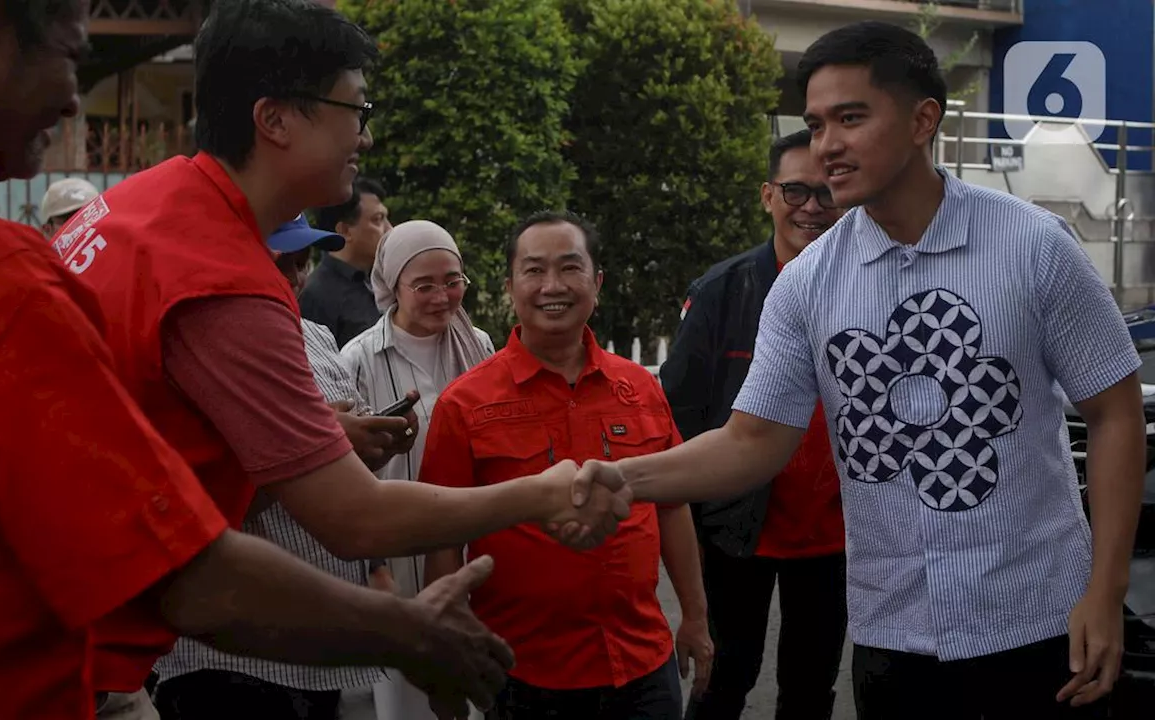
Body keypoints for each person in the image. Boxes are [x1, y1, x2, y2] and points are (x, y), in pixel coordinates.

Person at [0, 1, 528, 718]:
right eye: (69, 56)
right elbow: (189, 570)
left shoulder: (109, 218)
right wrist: (412, 627)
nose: (72, 97)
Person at [49, 2, 631, 716]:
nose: (366, 133)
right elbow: (354, 518)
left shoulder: (144, 203)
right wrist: (542, 494)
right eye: (354, 108)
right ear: (276, 119)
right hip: (59, 660)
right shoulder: (218, 275)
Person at [570, 20, 1145, 720]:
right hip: (891, 640)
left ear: (921, 120)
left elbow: (1114, 411)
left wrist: (1105, 591)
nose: (827, 147)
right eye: (815, 124)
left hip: (1040, 626)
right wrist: (623, 478)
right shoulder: (808, 282)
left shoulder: (1033, 247)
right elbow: (752, 440)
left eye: (851, 117)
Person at [419, 211, 713, 720]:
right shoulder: (464, 404)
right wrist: (445, 653)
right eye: (534, 270)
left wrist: (695, 616)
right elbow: (442, 536)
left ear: (596, 282)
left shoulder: (640, 389)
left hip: (641, 662)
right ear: (509, 285)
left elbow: (671, 507)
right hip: (522, 673)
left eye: (570, 268)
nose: (552, 286)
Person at [151, 216, 402, 720]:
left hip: (321, 645)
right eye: (280, 259)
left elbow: (340, 485)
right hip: (234, 657)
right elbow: (202, 498)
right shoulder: (202, 342)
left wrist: (367, 448)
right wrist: (320, 446)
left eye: (303, 259)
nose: (295, 274)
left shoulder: (316, 337)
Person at [663, 129, 847, 720]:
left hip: (836, 534)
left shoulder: (872, 286)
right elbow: (681, 416)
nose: (812, 207)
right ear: (768, 195)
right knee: (723, 678)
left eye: (827, 193)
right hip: (736, 526)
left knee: (811, 687)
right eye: (797, 191)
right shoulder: (721, 292)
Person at [340, 219, 497, 720]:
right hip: (400, 562)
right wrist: (374, 570)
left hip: (477, 551)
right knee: (409, 703)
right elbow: (347, 478)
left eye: (452, 281)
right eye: (423, 285)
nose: (441, 296)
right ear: (393, 287)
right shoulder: (359, 359)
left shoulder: (481, 348)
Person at [307, 176, 393, 346]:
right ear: (345, 230)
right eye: (377, 219)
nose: (390, 229)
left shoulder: (385, 280)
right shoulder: (316, 295)